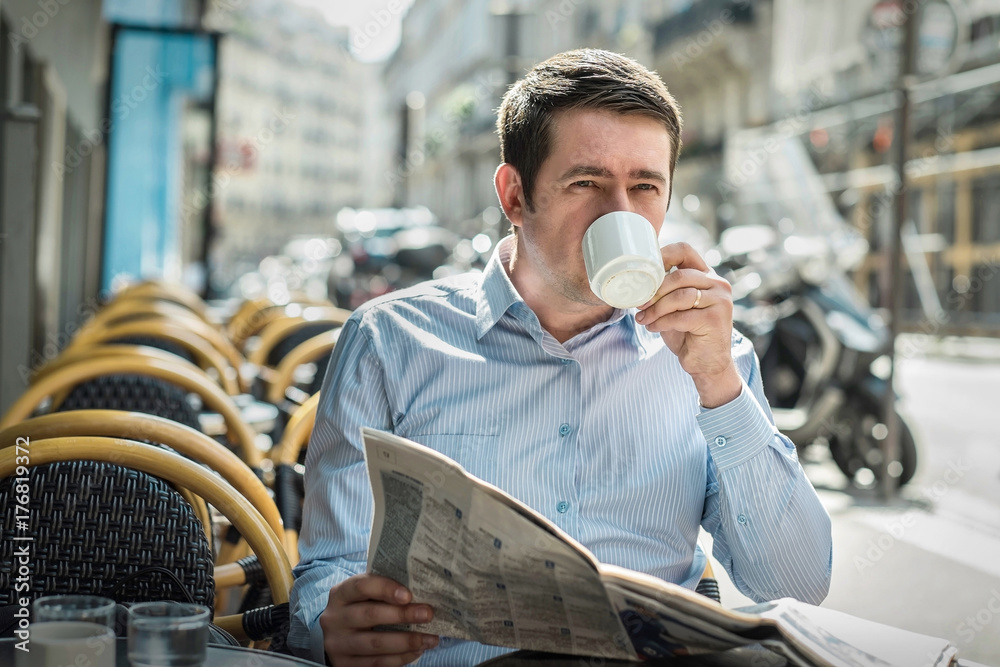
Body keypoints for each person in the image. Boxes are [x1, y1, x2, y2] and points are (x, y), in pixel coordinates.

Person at [288, 48, 832, 667]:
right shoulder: (390, 341)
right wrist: (334, 624)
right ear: (515, 195)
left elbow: (796, 583)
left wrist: (719, 386)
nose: (622, 214)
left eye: (646, 187)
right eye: (586, 184)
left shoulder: (711, 356)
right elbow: (329, 572)